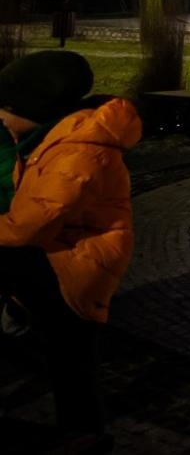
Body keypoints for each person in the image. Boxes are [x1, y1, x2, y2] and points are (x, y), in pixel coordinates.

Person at [0, 49, 142, 453]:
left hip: (78, 262)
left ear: (33, 108)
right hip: (62, 252)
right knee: (69, 351)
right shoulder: (54, 137)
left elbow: (30, 225)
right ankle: (83, 431)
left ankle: (85, 434)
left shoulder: (78, 149)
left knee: (72, 349)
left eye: (5, 108)